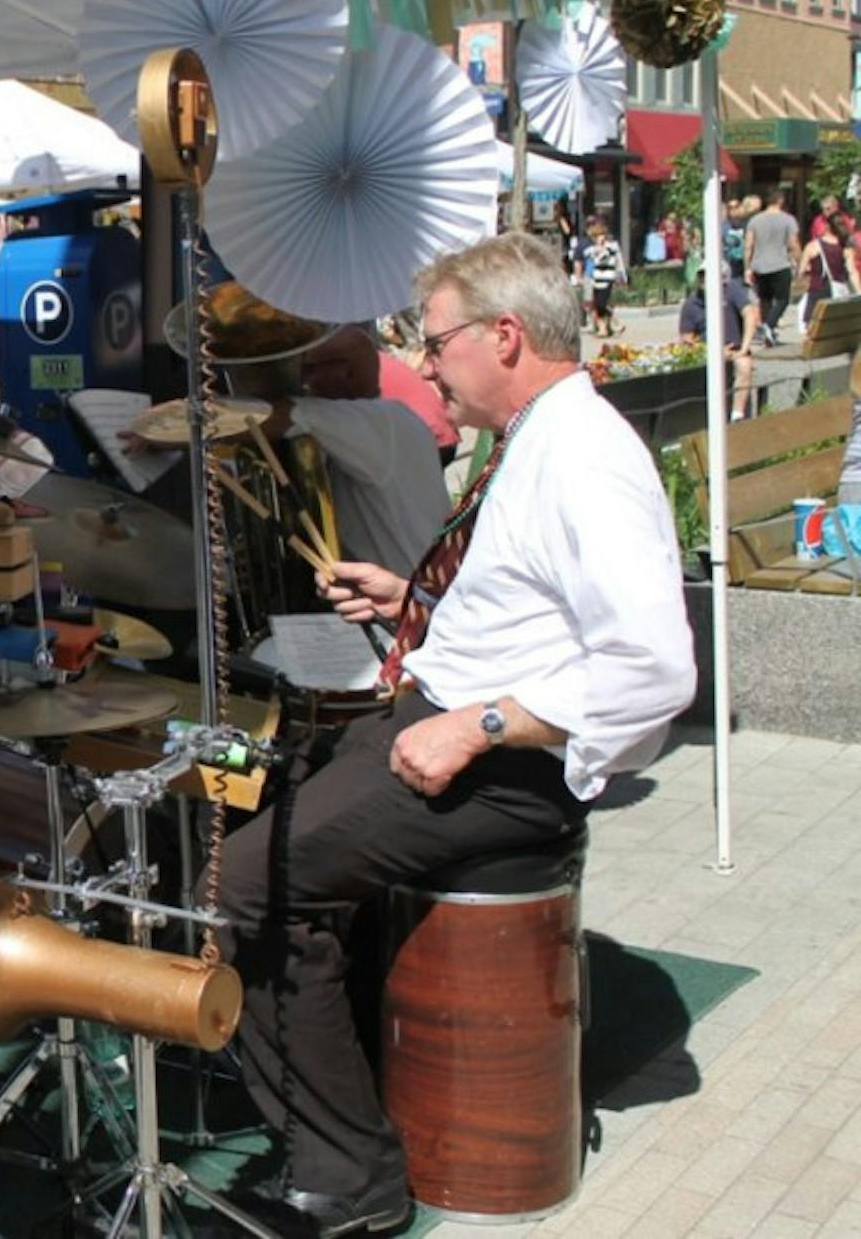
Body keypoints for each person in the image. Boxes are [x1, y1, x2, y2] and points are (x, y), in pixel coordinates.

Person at [216, 233, 696, 1237]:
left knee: (246, 881)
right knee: (270, 807)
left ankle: (345, 1177)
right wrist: (409, 600)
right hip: (446, 716)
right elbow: (531, 612)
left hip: (501, 768)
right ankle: (354, 1085)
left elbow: (651, 669)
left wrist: (477, 726)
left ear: (505, 335)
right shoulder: (537, 435)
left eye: (433, 343)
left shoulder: (586, 456)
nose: (423, 363)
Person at [256, 327, 451, 576]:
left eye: (309, 369)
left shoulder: (379, 421)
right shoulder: (387, 418)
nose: (304, 382)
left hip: (406, 591)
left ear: (347, 371)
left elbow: (280, 416)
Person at [679, 265, 763, 421]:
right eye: (702, 276)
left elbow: (750, 315)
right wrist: (710, 351)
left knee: (744, 365)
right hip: (705, 351)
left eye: (709, 275)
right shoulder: (691, 304)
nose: (705, 280)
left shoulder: (731, 291)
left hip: (734, 349)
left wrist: (744, 349)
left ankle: (737, 415)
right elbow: (686, 339)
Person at [743, 189, 801, 348]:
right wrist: (799, 261)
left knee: (765, 300)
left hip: (760, 265)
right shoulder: (788, 220)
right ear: (780, 200)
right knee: (783, 300)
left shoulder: (755, 220)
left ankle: (770, 334)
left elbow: (748, 245)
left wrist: (747, 266)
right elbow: (793, 243)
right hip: (780, 264)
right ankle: (769, 325)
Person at [798, 212, 859, 334]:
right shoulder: (845, 246)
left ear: (827, 226)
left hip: (817, 292)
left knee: (812, 329)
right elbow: (852, 271)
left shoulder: (813, 246)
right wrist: (859, 292)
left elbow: (801, 272)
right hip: (839, 292)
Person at [583, 218, 626, 337]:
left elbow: (614, 259)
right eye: (596, 236)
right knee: (597, 305)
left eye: (601, 235)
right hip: (596, 279)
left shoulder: (612, 247)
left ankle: (616, 322)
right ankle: (603, 329)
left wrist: (622, 276)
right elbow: (587, 254)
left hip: (608, 278)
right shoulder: (592, 250)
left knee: (602, 303)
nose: (599, 238)